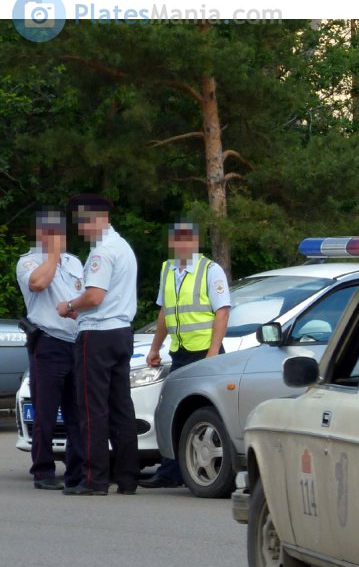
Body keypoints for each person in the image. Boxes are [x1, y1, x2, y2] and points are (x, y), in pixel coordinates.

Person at [56, 194, 140, 495]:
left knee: (92, 409)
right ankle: (128, 477)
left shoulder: (102, 252)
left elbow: (94, 297)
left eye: (82, 221)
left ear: (96, 219)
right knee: (121, 408)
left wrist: (69, 305)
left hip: (97, 335)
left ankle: (94, 479)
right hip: (121, 331)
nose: (80, 228)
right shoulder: (123, 247)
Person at [138, 221, 232, 489]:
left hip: (205, 351)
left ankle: (210, 471)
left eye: (186, 240)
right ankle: (171, 472)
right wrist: (155, 347)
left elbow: (222, 311)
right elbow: (165, 312)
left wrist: (213, 352)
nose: (181, 245)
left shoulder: (210, 270)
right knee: (171, 409)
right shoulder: (168, 269)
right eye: (177, 240)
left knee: (207, 412)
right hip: (180, 351)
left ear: (195, 242)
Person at [14, 210, 85, 490]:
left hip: (75, 343)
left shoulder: (75, 262)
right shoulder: (28, 262)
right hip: (48, 343)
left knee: (77, 412)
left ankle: (77, 470)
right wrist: (53, 257)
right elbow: (39, 284)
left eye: (63, 232)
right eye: (55, 233)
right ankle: (43, 470)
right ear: (42, 234)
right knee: (46, 410)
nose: (62, 238)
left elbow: (83, 296)